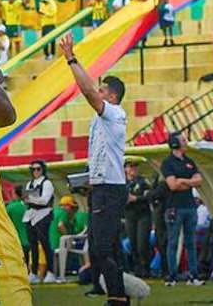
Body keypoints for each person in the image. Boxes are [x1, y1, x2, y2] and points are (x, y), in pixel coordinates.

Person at [59, 32, 128, 304]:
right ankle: (118, 294)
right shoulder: (101, 120)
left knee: (102, 247)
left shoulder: (114, 113)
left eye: (103, 90)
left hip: (110, 190)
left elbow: (87, 91)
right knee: (104, 246)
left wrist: (71, 59)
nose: (98, 92)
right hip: (101, 187)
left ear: (112, 95)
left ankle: (117, 295)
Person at [161, 132, 206, 287]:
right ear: (175, 143)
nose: (186, 142)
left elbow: (199, 180)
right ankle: (172, 276)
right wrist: (189, 181)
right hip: (174, 207)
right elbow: (173, 185)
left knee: (191, 242)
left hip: (190, 207)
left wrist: (182, 180)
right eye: (183, 140)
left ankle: (193, 276)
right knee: (173, 242)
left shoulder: (189, 161)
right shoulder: (167, 163)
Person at [23, 159, 55, 283]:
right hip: (31, 215)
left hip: (43, 214)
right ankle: (33, 272)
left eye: (38, 169)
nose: (36, 171)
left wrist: (30, 199)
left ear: (43, 170)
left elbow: (45, 200)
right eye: (33, 169)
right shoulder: (29, 183)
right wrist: (28, 200)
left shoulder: (47, 183)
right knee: (33, 245)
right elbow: (26, 200)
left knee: (45, 244)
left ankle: (51, 272)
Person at [124, 160, 152, 277]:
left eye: (135, 166)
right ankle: (137, 268)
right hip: (129, 215)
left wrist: (136, 199)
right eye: (131, 166)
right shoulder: (122, 182)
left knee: (142, 243)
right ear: (125, 169)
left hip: (143, 215)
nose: (133, 168)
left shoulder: (142, 181)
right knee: (133, 243)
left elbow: (150, 196)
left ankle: (145, 267)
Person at [7, 185, 30, 266]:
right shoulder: (28, 207)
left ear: (15, 194)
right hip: (29, 241)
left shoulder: (10, 207)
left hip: (15, 242)